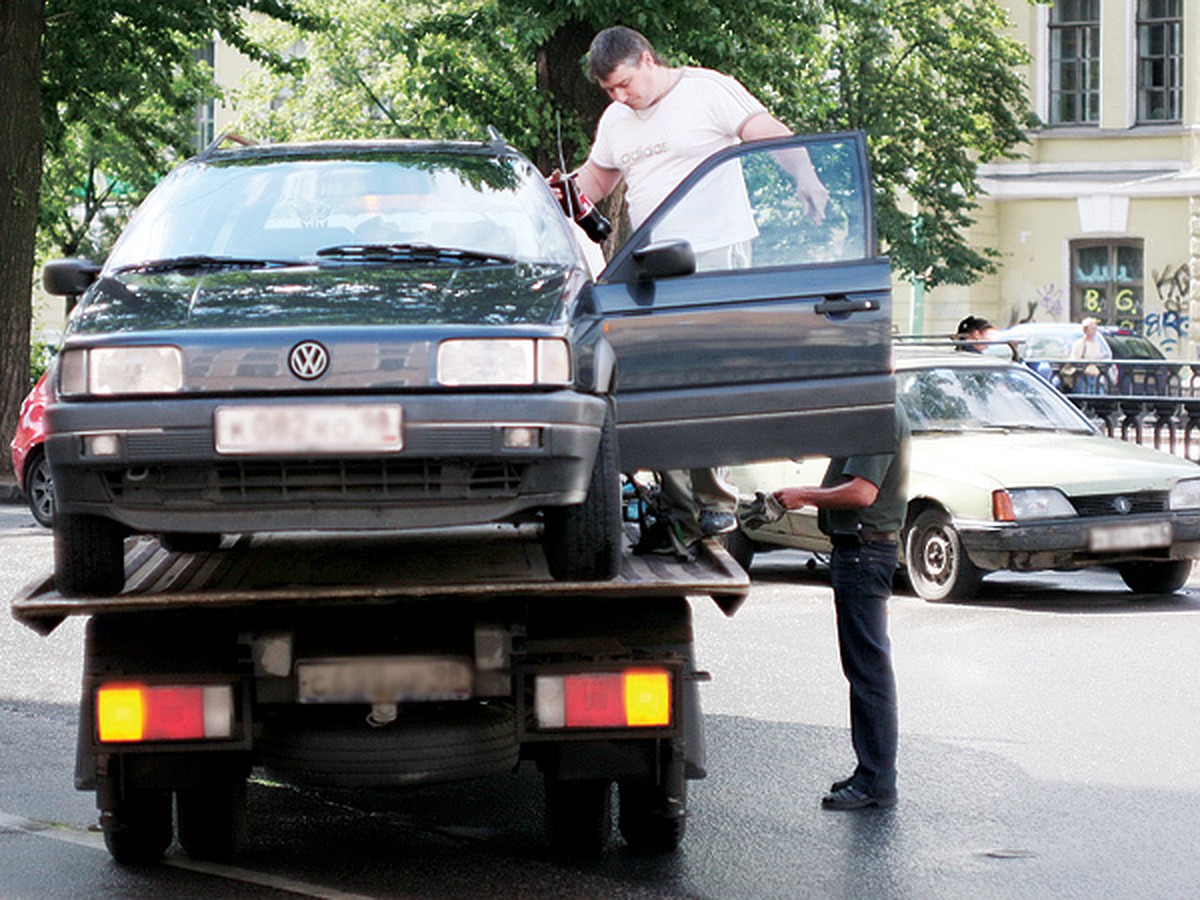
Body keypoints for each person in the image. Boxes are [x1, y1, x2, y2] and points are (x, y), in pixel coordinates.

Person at [573, 25, 829, 553]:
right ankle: (679, 513)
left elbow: (768, 132)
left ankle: (715, 502)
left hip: (715, 251)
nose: (621, 97)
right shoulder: (617, 119)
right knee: (657, 380)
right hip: (651, 261)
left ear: (647, 60)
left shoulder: (707, 89)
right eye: (610, 91)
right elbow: (595, 182)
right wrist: (555, 194)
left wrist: (804, 174)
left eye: (625, 84)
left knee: (705, 373)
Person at [772, 408, 909, 810]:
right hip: (862, 551)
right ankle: (871, 772)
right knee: (864, 668)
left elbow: (862, 493)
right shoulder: (873, 413)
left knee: (869, 670)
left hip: (864, 551)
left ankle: (877, 780)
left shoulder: (879, 417)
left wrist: (804, 495)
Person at [1068, 317, 1112, 394]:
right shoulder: (1079, 344)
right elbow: (1074, 359)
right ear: (1085, 330)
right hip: (1083, 377)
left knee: (1099, 396)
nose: (1094, 332)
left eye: (1095, 329)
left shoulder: (1097, 344)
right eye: (1091, 329)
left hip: (1096, 376)